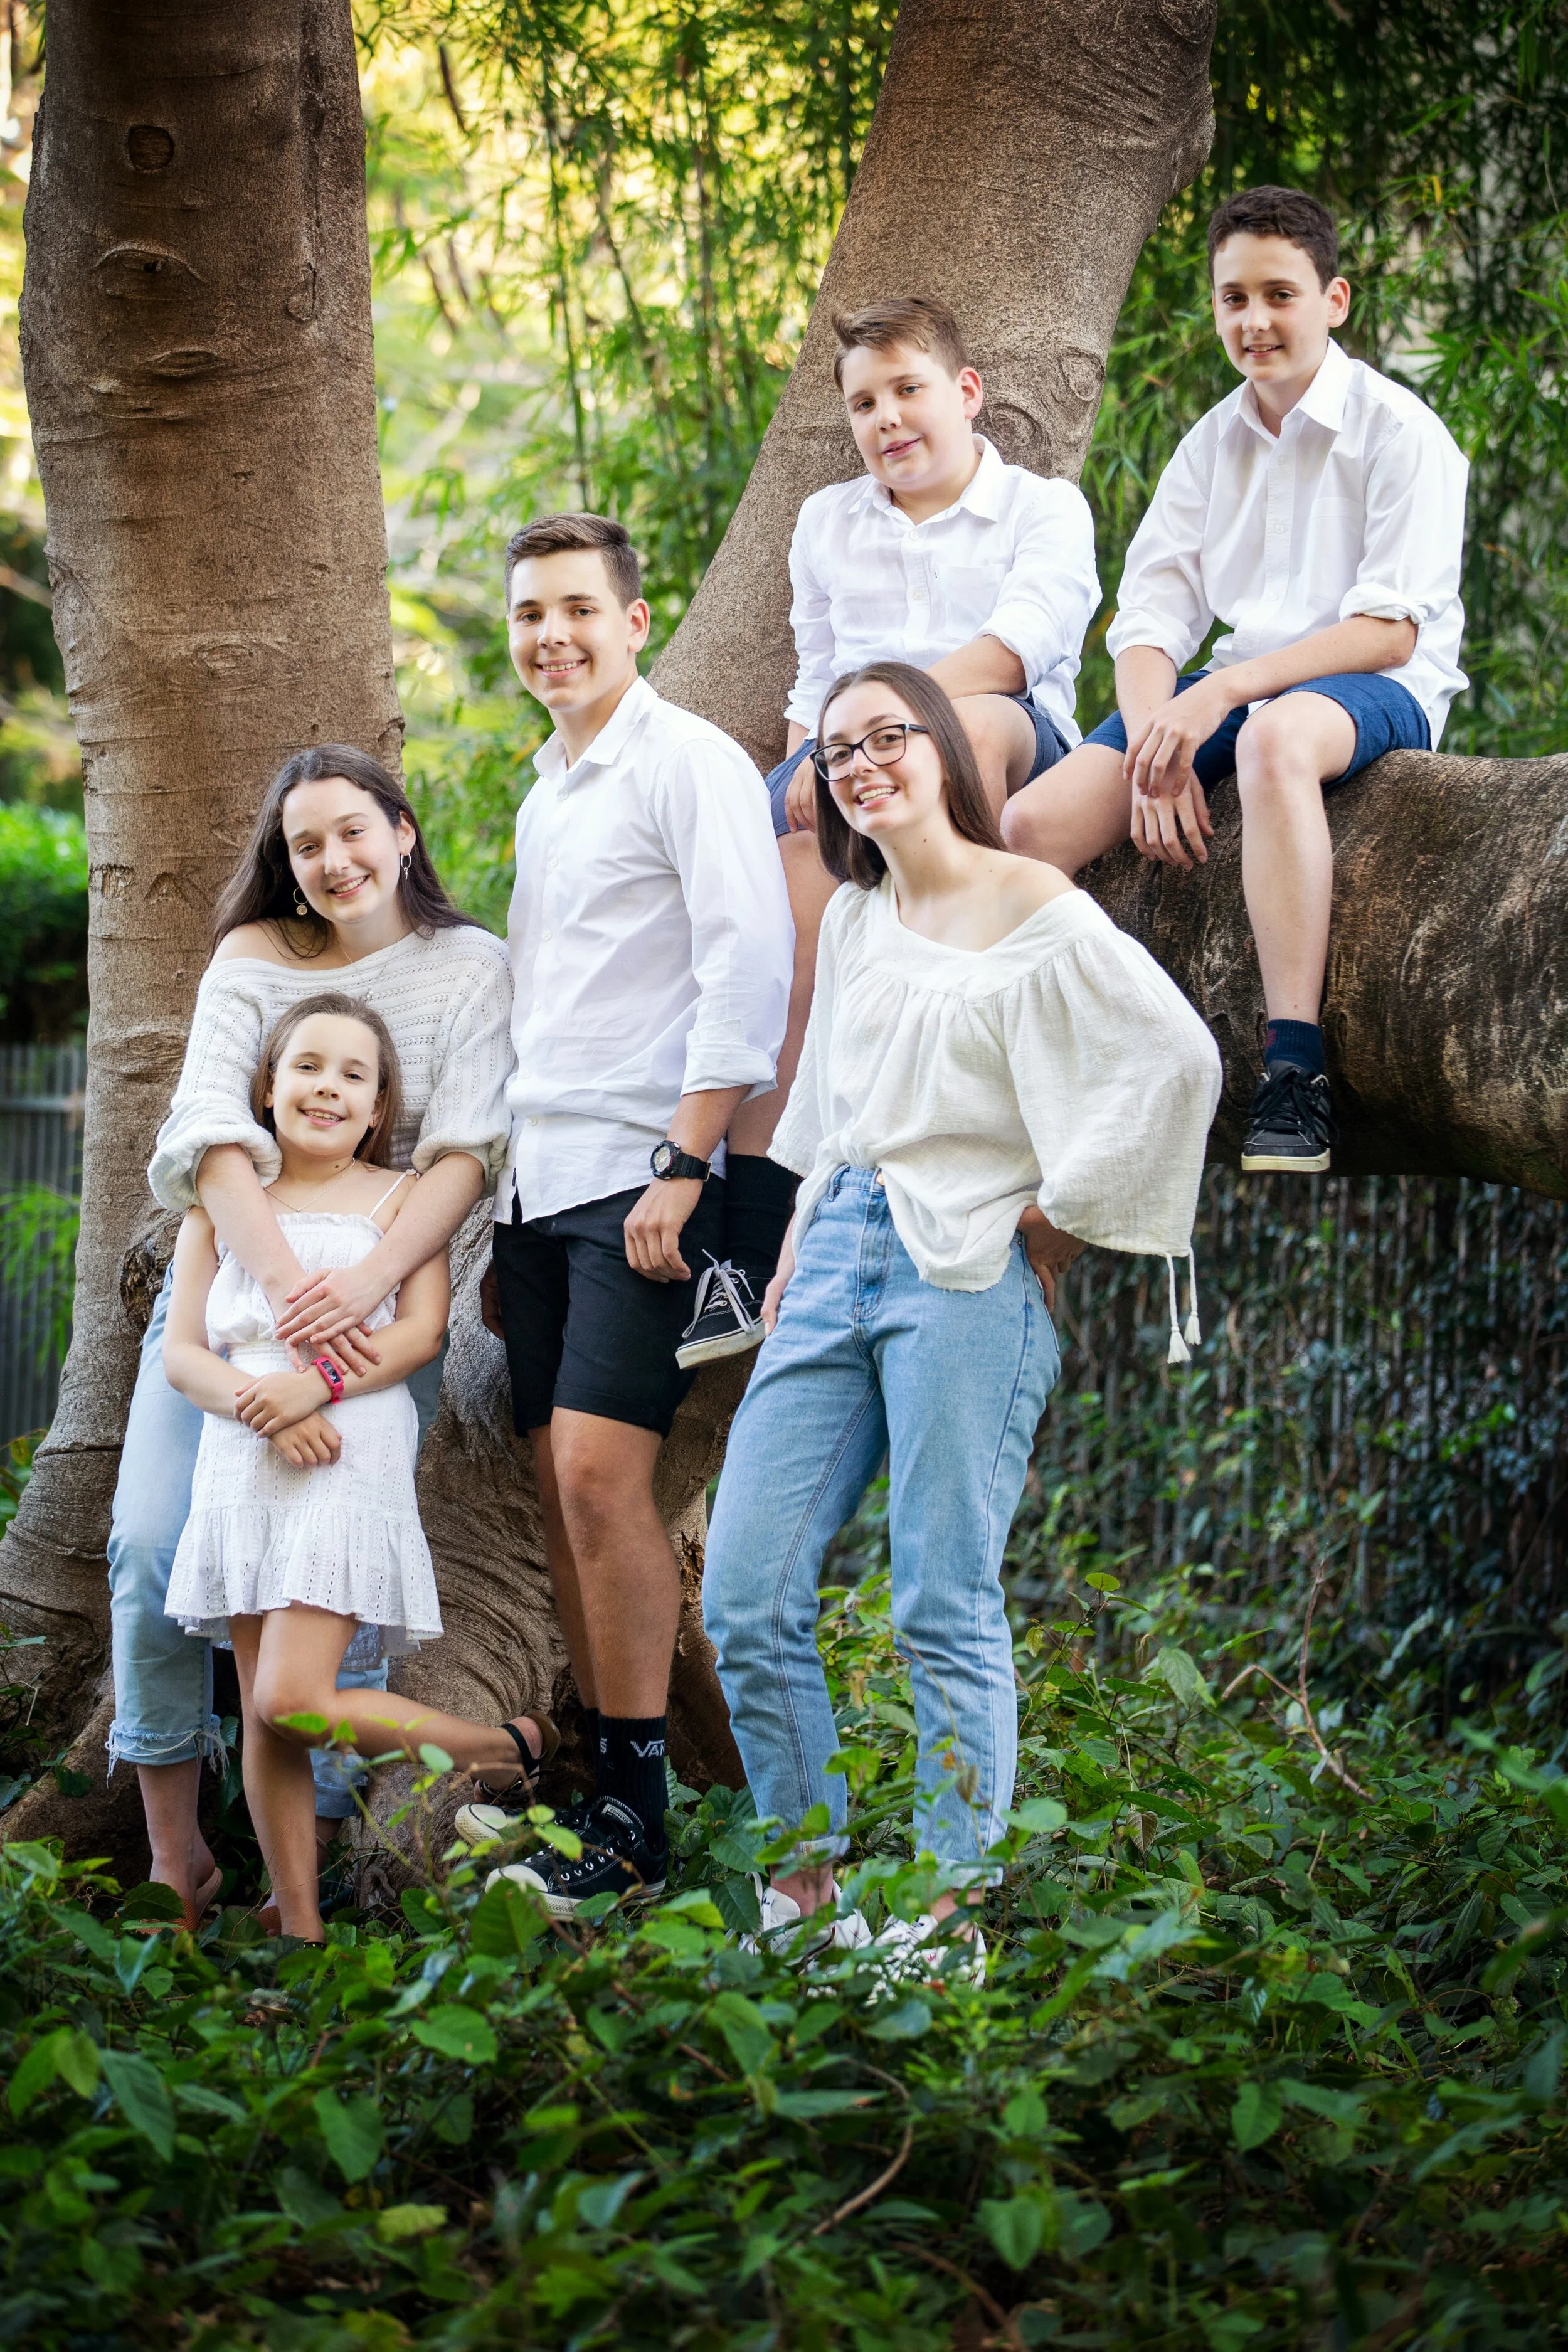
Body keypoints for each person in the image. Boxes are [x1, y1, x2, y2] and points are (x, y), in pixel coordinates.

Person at [702, 662, 1221, 1977]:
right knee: (746, 1588)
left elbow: (1178, 1062)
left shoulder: (1035, 907)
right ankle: (804, 1901)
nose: (862, 763)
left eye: (887, 736)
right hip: (836, 1253)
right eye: (836, 749)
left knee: (938, 1592)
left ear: (937, 750)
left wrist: (1055, 1212)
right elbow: (825, 1101)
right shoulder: (862, 917)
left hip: (965, 1271)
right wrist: (795, 1248)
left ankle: (941, 1917)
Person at [109, 745, 514, 1927]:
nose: (333, 861)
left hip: (375, 1312)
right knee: (146, 1548)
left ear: (404, 830)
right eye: (304, 844)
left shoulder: (469, 966)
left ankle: (322, 1868)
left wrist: (354, 1305)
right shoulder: (252, 958)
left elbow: (467, 1150)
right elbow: (208, 1132)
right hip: (243, 1308)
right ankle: (176, 1857)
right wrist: (286, 1300)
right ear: (282, 861)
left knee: (333, 1588)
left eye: (352, 832)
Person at [463, 510, 794, 1916]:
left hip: (640, 1184)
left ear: (633, 619)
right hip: (542, 1188)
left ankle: (638, 1822)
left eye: (577, 609)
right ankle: (608, 1787)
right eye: (530, 612)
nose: (552, 635)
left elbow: (748, 964)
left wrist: (683, 1166)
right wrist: (499, 1209)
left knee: (605, 1487)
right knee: (554, 1492)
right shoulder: (547, 791)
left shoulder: (687, 763)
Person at [1003, 185, 1469, 1175]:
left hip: (1371, 689)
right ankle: (1088, 1063)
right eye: (1232, 299)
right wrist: (1149, 749)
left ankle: (1295, 1071)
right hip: (1230, 683)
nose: (1254, 321)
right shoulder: (1212, 440)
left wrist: (1217, 694)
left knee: (1273, 737)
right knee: (1030, 829)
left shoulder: (1400, 430)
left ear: (1334, 299)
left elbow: (1388, 632)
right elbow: (1148, 621)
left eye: (1280, 294)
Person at [733, 297, 1101, 1327]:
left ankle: (948, 980)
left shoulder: (1044, 508)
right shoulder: (827, 522)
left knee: (968, 726)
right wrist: (820, 747)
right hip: (849, 759)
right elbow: (813, 669)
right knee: (778, 930)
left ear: (967, 393)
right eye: (863, 403)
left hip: (1008, 736)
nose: (887, 419)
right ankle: (758, 1236)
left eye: (908, 391)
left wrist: (863, 731)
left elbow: (1014, 654)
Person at [162, 997, 549, 1943]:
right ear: (267, 1085)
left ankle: (496, 1748)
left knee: (293, 1698)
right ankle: (301, 1928)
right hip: (243, 1452)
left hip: (345, 1448)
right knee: (265, 1713)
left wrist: (313, 1388)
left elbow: (418, 1333)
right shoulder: (224, 1199)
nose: (326, 1087)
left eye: (351, 1075)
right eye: (307, 1066)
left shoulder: (399, 1200)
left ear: (380, 1107)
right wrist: (264, 1407)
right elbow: (183, 1352)